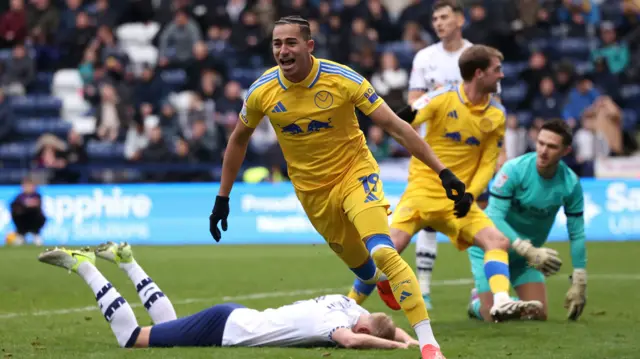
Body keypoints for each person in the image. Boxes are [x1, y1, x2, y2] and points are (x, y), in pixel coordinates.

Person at [208, 15, 468, 359]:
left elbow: (395, 126)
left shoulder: (343, 79)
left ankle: (429, 345)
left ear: (309, 46)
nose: (282, 51)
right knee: (365, 270)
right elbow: (238, 141)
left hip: (355, 174)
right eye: (276, 44)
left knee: (382, 251)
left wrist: (442, 171)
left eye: (290, 43)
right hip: (313, 194)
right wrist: (223, 197)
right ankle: (379, 280)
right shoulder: (262, 91)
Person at [350, 45, 545, 323]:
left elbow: (488, 162)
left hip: (459, 200)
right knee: (386, 249)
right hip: (421, 192)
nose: (501, 75)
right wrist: (402, 115)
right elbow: (408, 117)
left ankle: (501, 300)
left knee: (497, 241)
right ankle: (349, 303)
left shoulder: (496, 115)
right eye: (496, 70)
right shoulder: (442, 97)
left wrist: (471, 194)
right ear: (479, 74)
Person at [36, 243, 420, 350]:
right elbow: (355, 339)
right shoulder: (339, 325)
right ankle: (85, 266)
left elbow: (378, 327)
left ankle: (127, 261)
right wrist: (397, 348)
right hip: (226, 328)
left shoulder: (347, 304)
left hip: (234, 316)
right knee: (133, 339)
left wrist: (416, 341)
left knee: (168, 329)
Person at [467, 119, 586, 322]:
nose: (543, 151)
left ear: (566, 151)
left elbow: (576, 232)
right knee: (493, 315)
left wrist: (579, 280)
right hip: (492, 250)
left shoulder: (570, 183)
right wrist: (525, 248)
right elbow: (494, 216)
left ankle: (507, 302)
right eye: (540, 143)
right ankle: (476, 303)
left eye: (552, 146)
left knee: (538, 314)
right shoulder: (514, 170)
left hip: (525, 259)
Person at [402, 0, 474, 309]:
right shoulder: (424, 58)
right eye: (435, 18)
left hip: (469, 150)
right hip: (433, 151)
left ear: (460, 19)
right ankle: (425, 289)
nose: (438, 22)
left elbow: (490, 103)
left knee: (473, 214)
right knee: (428, 219)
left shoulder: (475, 55)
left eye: (444, 16)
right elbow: (414, 101)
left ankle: (479, 290)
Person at [9, 177, 46, 246]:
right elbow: (13, 206)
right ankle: (21, 235)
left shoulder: (37, 195)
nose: (28, 188)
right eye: (26, 186)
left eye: (30, 186)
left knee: (39, 215)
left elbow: (37, 204)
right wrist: (25, 206)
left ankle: (35, 234)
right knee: (16, 213)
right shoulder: (19, 197)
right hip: (22, 220)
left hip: (34, 219)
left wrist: (28, 205)